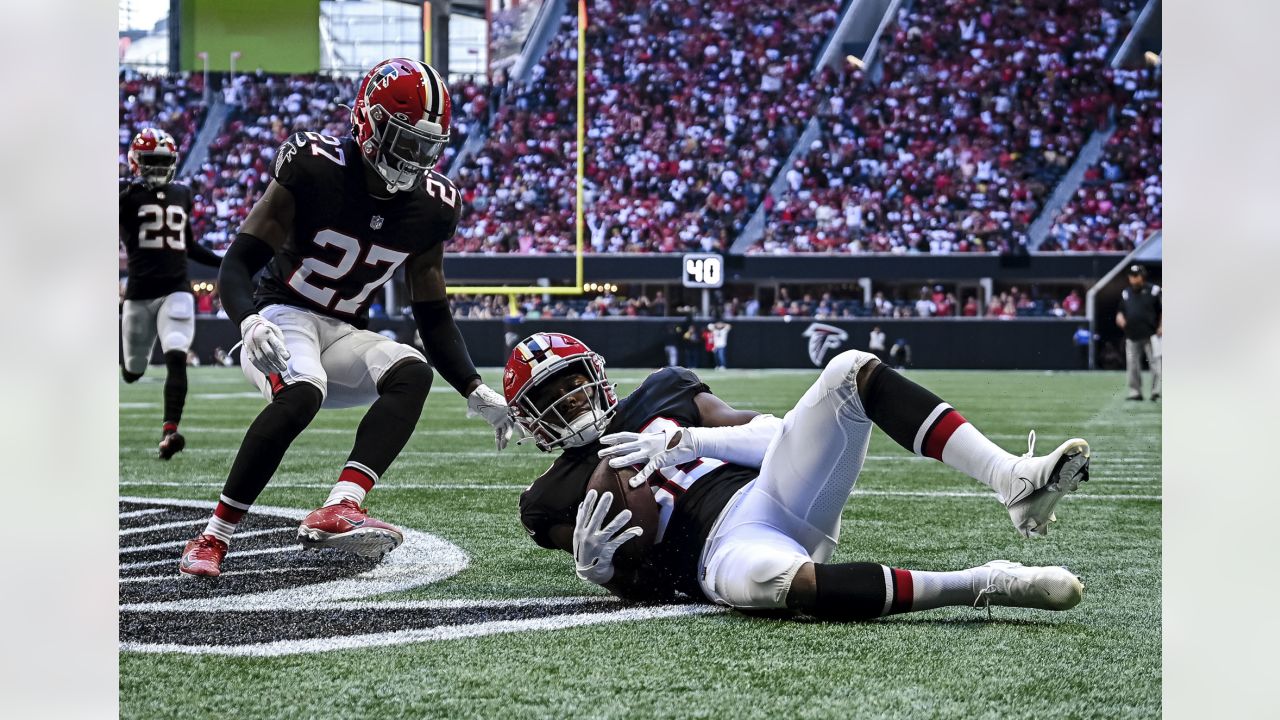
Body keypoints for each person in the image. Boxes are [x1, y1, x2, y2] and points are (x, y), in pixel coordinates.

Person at [178, 58, 517, 578]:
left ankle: (343, 504)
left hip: (342, 329)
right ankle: (214, 536)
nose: (415, 158)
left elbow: (432, 312)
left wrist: (473, 388)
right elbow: (238, 261)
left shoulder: (433, 206)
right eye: (405, 140)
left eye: (427, 146)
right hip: (280, 315)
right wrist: (246, 320)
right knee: (303, 390)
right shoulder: (315, 166)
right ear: (368, 121)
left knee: (411, 371)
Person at [506, 333, 1091, 621]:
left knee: (849, 371)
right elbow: (645, 584)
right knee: (773, 582)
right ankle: (983, 582)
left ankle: (1012, 478)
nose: (571, 399)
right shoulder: (546, 499)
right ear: (530, 419)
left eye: (574, 381)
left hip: (771, 489)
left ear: (597, 375)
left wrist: (685, 441)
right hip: (720, 551)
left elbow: (771, 436)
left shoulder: (663, 391)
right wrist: (602, 574)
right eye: (551, 395)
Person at [120, 128, 224, 459]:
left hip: (176, 290)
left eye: (164, 161)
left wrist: (224, 261)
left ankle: (170, 432)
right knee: (133, 371)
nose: (158, 168)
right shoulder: (125, 198)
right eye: (151, 161)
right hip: (138, 293)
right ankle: (135, 373)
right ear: (135, 162)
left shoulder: (181, 193)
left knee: (176, 355)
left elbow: (188, 244)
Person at [1115, 264, 1162, 401]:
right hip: (1132, 335)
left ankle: (1156, 392)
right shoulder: (1126, 293)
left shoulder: (1154, 290)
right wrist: (1120, 318)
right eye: (1131, 276)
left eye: (1136, 275)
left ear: (1142, 276)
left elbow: (1163, 309)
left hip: (1151, 333)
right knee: (1132, 365)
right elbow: (1120, 311)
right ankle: (1135, 392)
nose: (1134, 279)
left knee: (1155, 363)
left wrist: (1162, 325)